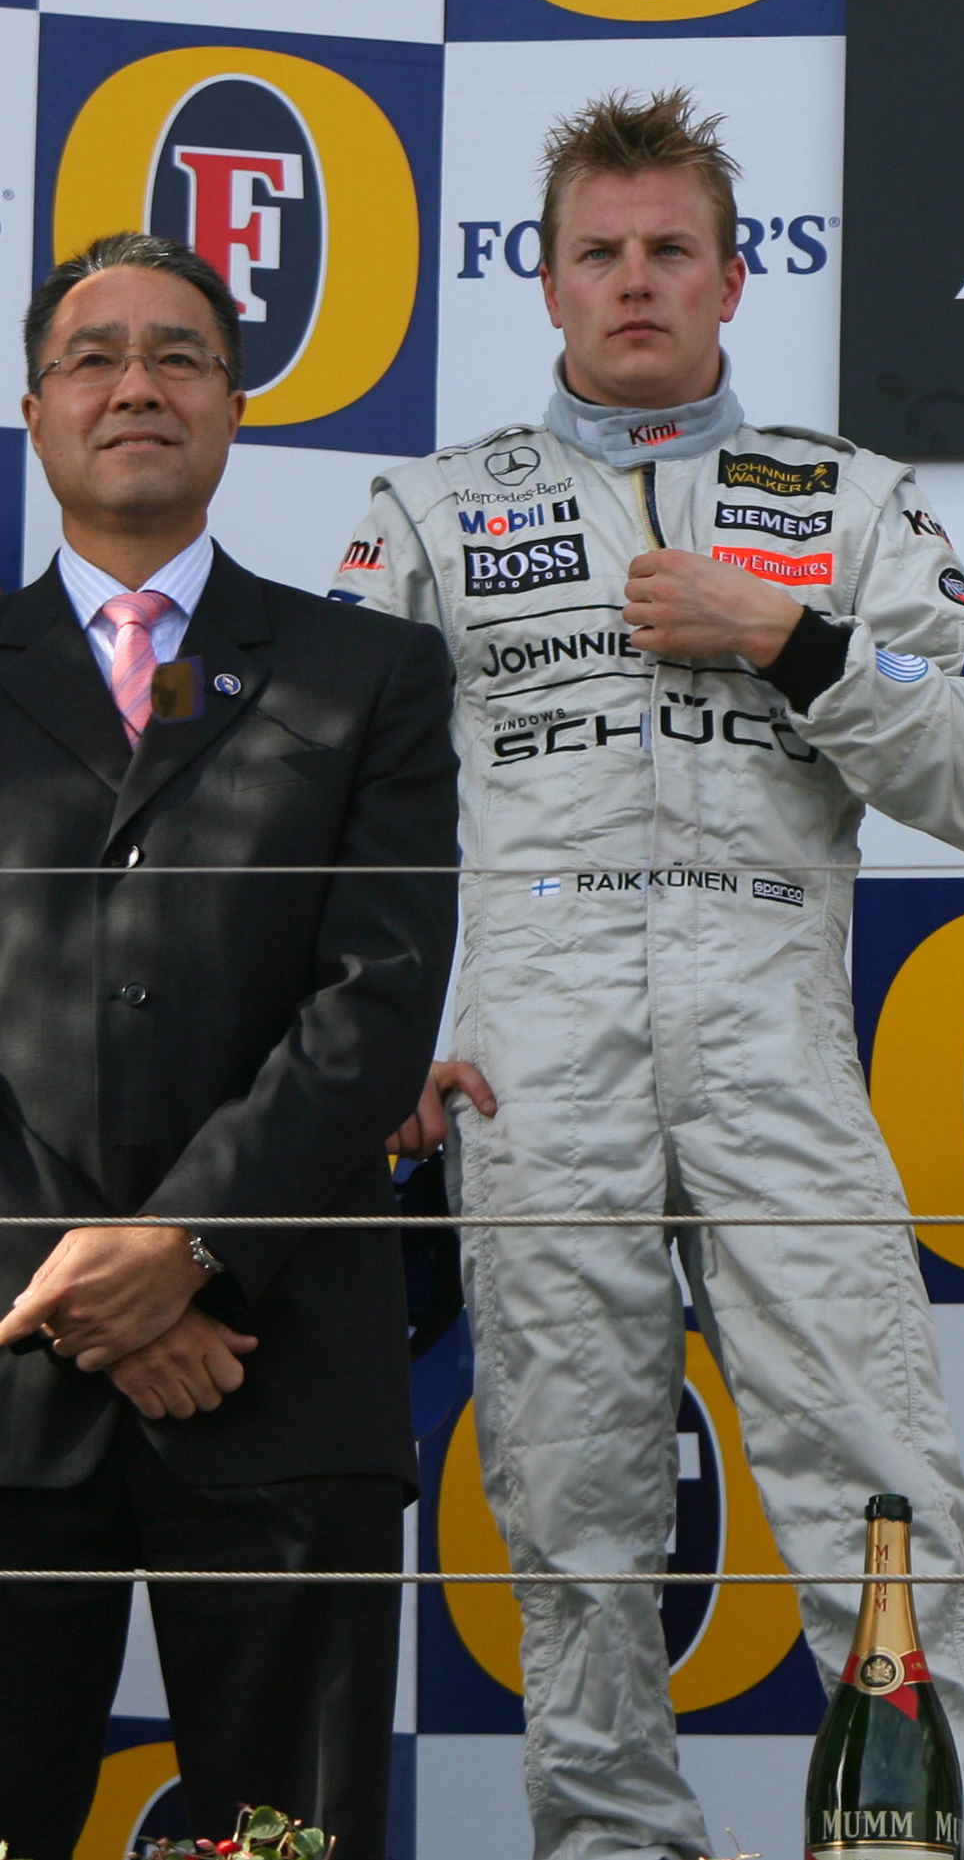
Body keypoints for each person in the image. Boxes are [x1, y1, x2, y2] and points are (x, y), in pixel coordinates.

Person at [333, 92, 964, 1860]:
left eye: (670, 250)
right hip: (532, 1062)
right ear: (546, 280)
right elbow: (340, 820)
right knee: (568, 1501)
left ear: (736, 277)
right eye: (601, 251)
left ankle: (941, 1833)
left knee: (871, 1467)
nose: (635, 282)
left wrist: (785, 635)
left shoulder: (848, 497)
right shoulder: (430, 508)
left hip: (776, 1049)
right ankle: (610, 1842)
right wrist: (404, 1038)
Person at [0, 233, 456, 1854]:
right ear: (38, 407)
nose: (138, 384)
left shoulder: (372, 672)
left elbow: (376, 997)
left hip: (279, 1374)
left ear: (237, 403)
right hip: (15, 1370)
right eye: (96, 355)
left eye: (180, 353)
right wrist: (107, 1293)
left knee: (290, 1840)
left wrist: (192, 1249)